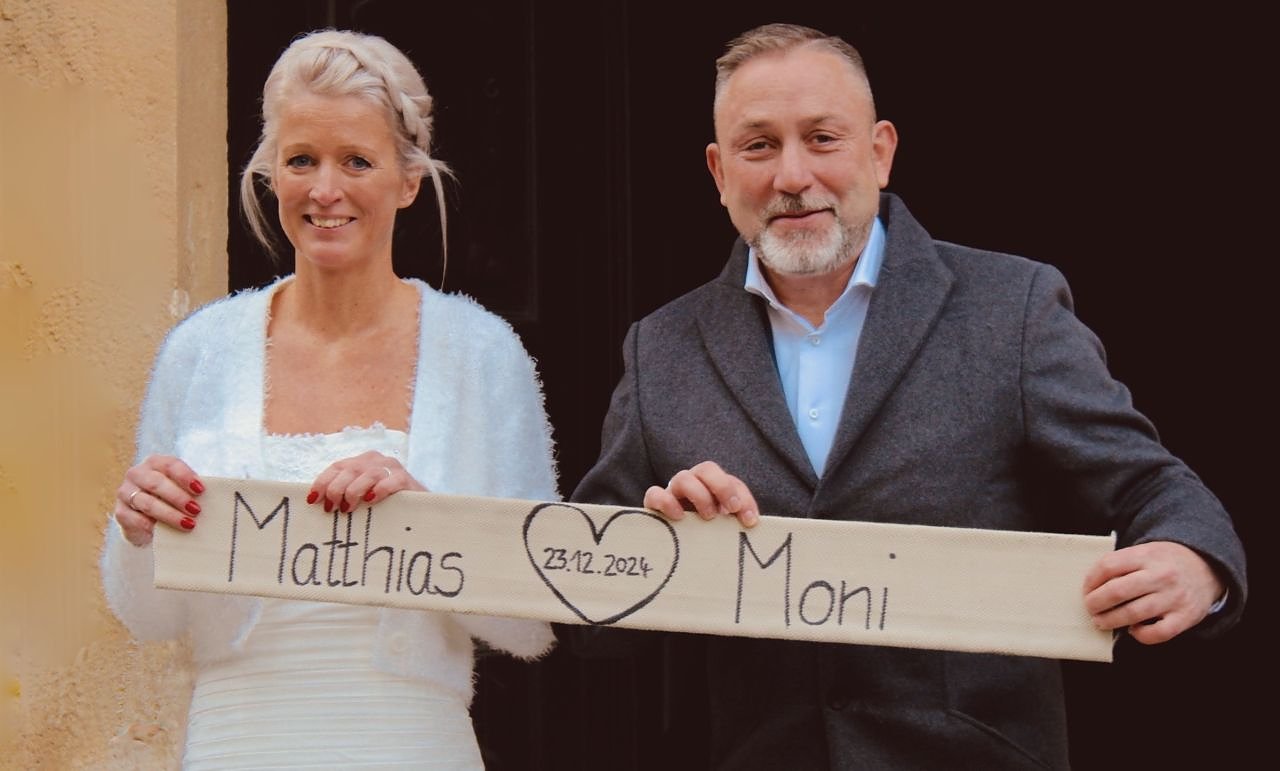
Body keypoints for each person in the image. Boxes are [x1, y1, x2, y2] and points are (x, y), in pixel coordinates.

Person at [568, 22, 1247, 769]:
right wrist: (660, 537)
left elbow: (1152, 487)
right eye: (758, 145)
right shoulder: (660, 348)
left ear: (880, 152)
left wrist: (1195, 560)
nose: (792, 175)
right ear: (719, 171)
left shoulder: (1011, 308)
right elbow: (585, 606)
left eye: (822, 138)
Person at [100, 29, 557, 769]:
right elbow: (147, 617)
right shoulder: (200, 350)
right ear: (270, 174)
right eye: (301, 160)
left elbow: (531, 622)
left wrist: (424, 523)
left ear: (409, 181)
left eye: (357, 161)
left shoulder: (482, 352)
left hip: (411, 743)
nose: (324, 190)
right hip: (236, 743)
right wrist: (137, 531)